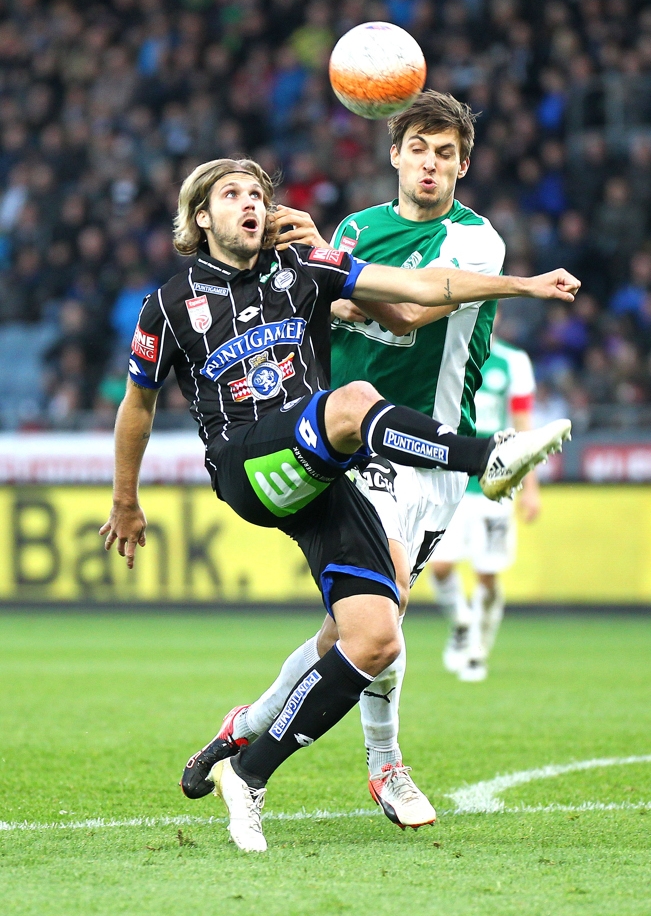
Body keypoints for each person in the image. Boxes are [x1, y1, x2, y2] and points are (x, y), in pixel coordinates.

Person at [101, 151, 577, 853]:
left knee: (375, 639)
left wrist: (522, 285)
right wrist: (125, 499)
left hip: (321, 472)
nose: (250, 204)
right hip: (249, 467)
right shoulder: (169, 304)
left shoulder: (306, 270)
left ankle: (248, 771)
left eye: (258, 193)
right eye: (231, 194)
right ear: (201, 217)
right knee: (351, 403)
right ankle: (488, 456)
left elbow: (418, 289)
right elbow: (136, 407)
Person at [430, 332, 540, 683]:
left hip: (496, 486)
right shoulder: (446, 349)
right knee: (441, 567)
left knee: (487, 575)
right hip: (452, 481)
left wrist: (531, 488)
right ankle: (462, 622)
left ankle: (478, 650)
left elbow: (524, 426)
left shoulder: (513, 361)